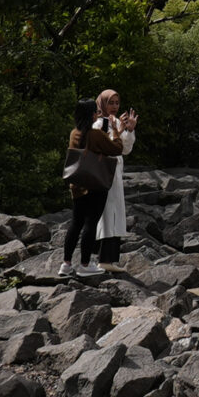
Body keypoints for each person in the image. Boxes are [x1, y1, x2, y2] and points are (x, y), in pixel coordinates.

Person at [61, 92, 133, 278]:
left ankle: (66, 264)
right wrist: (118, 133)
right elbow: (116, 148)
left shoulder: (74, 133)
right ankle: (85, 264)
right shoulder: (95, 134)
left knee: (76, 223)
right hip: (95, 183)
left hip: (78, 184)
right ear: (92, 114)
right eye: (95, 111)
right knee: (91, 223)